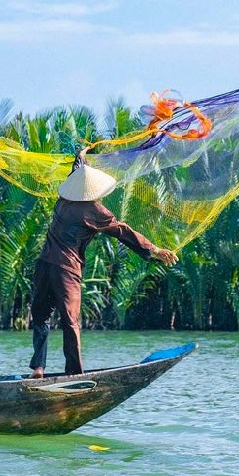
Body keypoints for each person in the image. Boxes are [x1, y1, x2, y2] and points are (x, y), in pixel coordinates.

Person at [29, 149, 178, 378]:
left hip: (43, 265)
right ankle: (74, 375)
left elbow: (77, 171)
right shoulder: (93, 210)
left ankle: (39, 368)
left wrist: (82, 154)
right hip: (66, 270)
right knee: (71, 322)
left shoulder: (64, 198)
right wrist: (154, 250)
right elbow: (123, 231)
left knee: (41, 317)